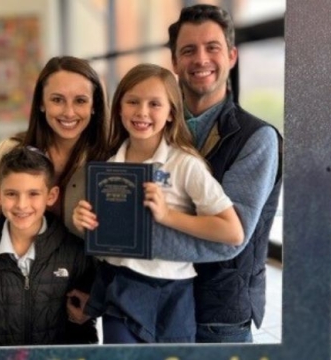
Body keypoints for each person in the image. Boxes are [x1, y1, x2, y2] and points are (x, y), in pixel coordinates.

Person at [0, 56, 110, 343]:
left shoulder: (109, 161)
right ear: (41, 103)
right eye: (57, 99)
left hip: (64, 309)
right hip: (6, 298)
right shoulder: (11, 151)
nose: (68, 111)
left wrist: (97, 294)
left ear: (94, 107)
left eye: (80, 100)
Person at [70, 63, 244, 343]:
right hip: (119, 287)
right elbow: (104, 241)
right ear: (119, 108)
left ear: (171, 112)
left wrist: (167, 216)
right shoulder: (108, 169)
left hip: (172, 294)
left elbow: (232, 232)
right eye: (133, 102)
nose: (142, 112)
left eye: (154, 104)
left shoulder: (186, 165)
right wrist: (85, 223)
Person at [146, 4, 282, 343]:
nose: (201, 59)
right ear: (174, 62)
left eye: (212, 48)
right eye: (188, 50)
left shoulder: (257, 139)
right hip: (154, 305)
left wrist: (131, 242)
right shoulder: (151, 130)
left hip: (218, 317)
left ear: (232, 56)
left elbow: (227, 241)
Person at [0, 146, 96, 346]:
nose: (22, 205)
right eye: (11, 194)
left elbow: (84, 328)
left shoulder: (75, 253)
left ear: (51, 196)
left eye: (33, 193)